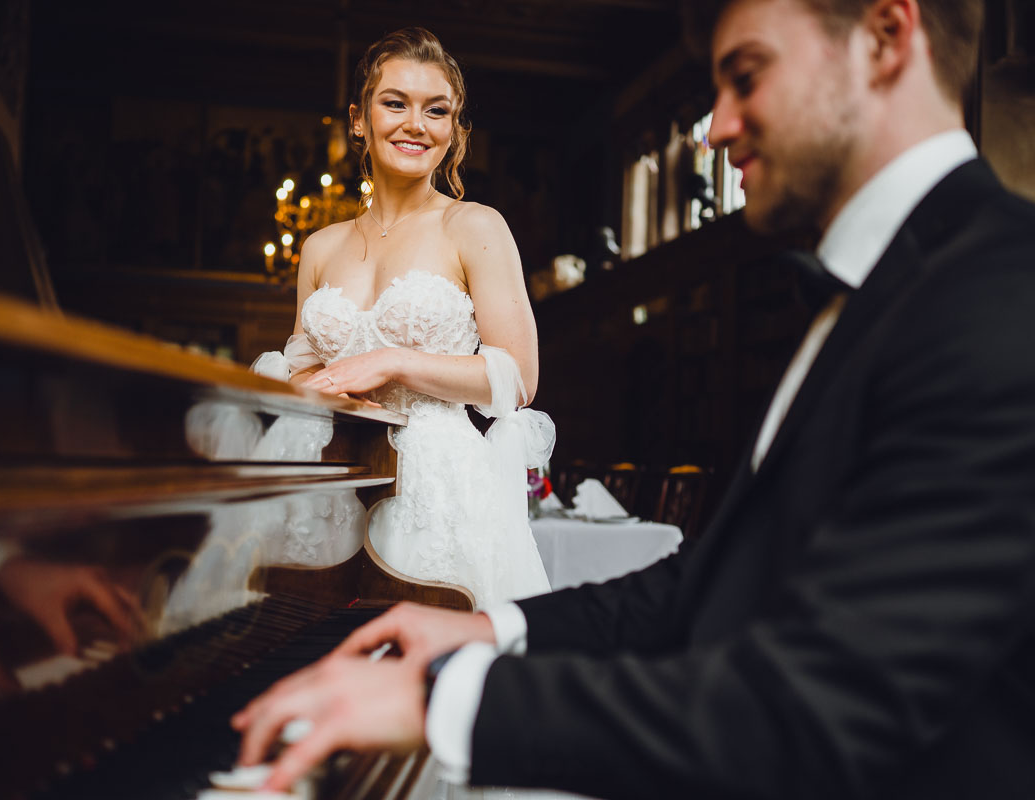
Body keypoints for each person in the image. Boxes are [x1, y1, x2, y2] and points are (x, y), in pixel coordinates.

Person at [230, 1, 1035, 798]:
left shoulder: (999, 300)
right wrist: (493, 626)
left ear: (887, 38)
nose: (715, 130)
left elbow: (825, 705)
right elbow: (710, 582)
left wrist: (448, 702)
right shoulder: (876, 291)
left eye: (746, 76)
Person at [261, 27, 554, 609]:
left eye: (436, 110)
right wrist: (318, 388)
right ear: (358, 119)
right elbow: (301, 370)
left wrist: (392, 361)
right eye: (395, 103)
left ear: (454, 129)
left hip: (436, 495)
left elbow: (519, 378)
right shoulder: (319, 247)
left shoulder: (475, 227)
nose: (416, 124)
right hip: (328, 482)